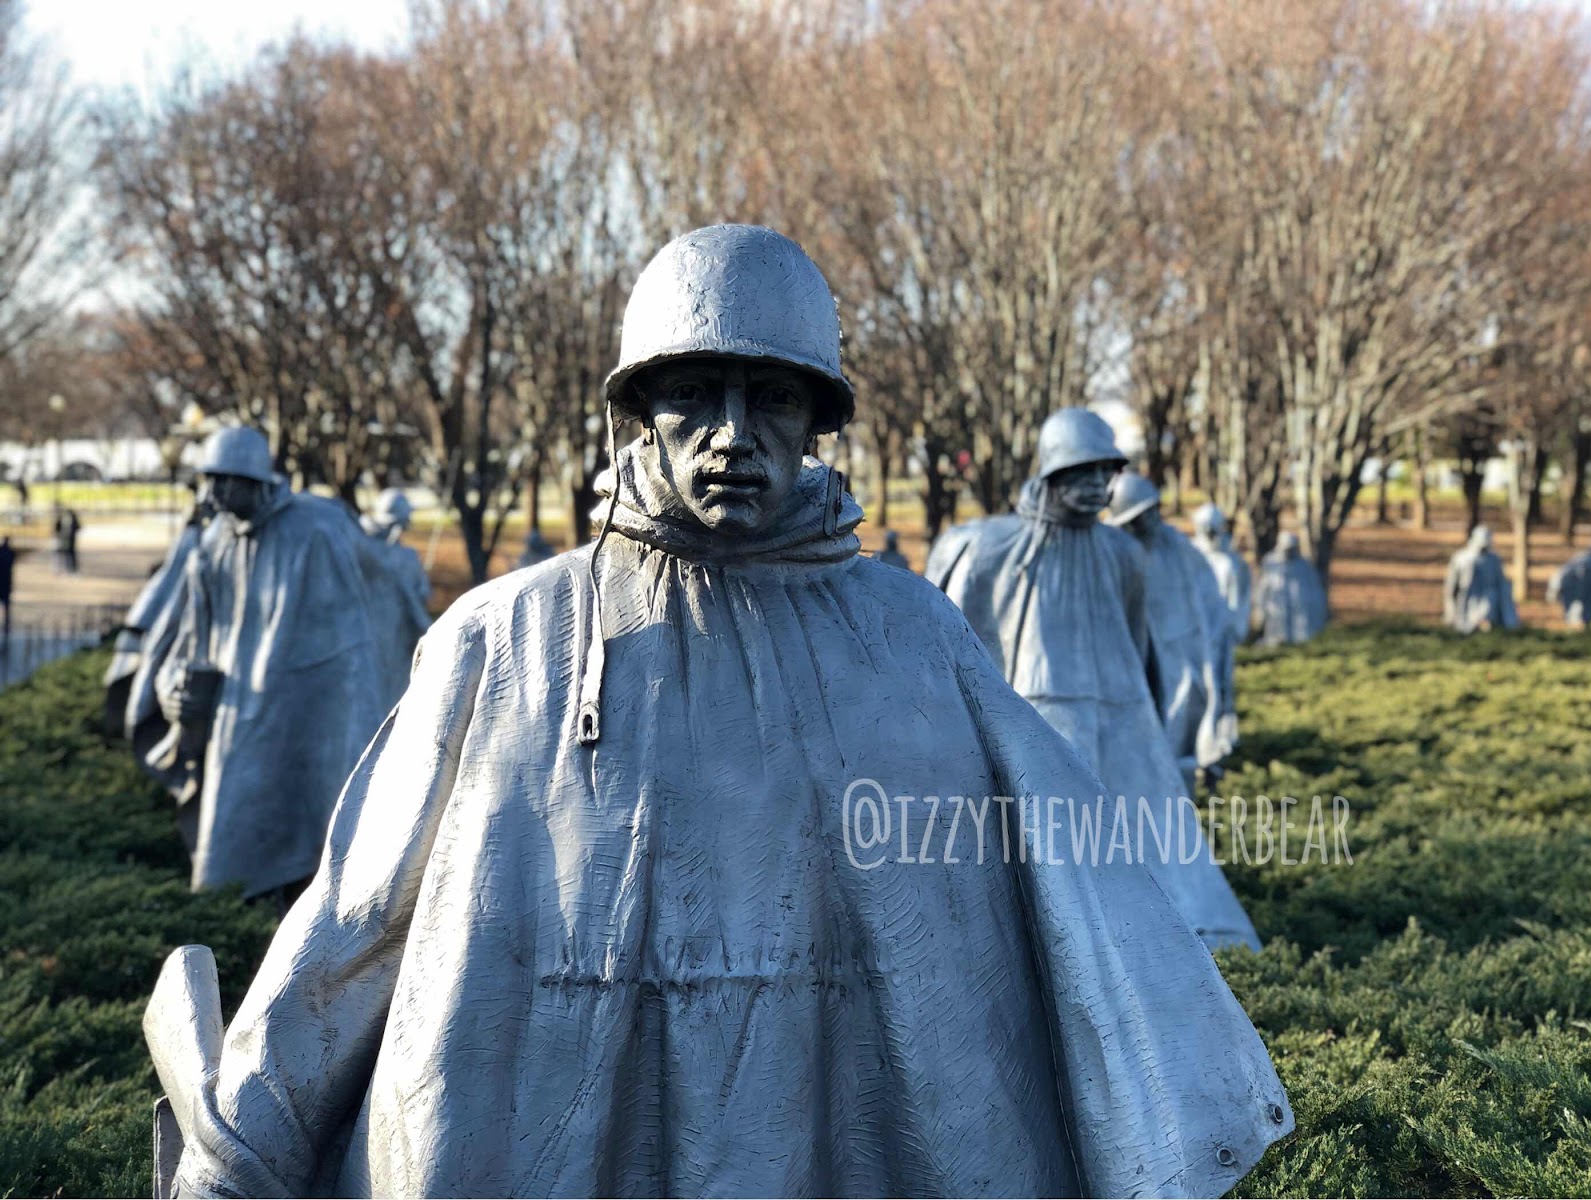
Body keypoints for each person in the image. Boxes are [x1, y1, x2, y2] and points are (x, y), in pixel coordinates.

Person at [158, 227, 1290, 1198]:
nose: (733, 433)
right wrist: (241, 1144)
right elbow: (357, 921)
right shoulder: (504, 640)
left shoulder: (909, 638)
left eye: (774, 397)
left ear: (816, 423)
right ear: (638, 411)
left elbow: (1066, 900)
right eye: (693, 394)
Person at [927, 412, 1258, 950]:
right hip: (1042, 705)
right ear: (1053, 473)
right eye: (1082, 473)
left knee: (1153, 833)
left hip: (1122, 708)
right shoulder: (998, 548)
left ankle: (1164, 930)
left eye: (1104, 476)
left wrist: (1151, 715)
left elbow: (1137, 639)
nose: (1095, 488)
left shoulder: (1124, 553)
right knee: (1049, 841)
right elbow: (963, 640)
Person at [131, 426, 382, 899]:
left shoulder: (317, 530)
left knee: (321, 837)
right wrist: (173, 687)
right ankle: (237, 934)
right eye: (211, 480)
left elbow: (354, 644)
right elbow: (190, 638)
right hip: (236, 714)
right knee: (231, 847)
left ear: (257, 481)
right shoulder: (211, 545)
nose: (217, 493)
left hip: (313, 711)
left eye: (228, 480)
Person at [1107, 473, 1237, 778]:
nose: (1150, 521)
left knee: (1181, 739)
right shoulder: (1112, 551)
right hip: (1133, 662)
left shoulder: (1176, 546)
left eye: (1153, 512)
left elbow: (1209, 602)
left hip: (1181, 659)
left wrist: (1214, 646)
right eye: (1140, 517)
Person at [104, 489, 215, 739]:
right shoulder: (196, 539)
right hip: (154, 628)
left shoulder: (198, 537)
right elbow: (172, 587)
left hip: (153, 626)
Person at [356, 488, 433, 711]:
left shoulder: (368, 549)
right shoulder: (400, 556)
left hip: (390, 634)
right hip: (385, 634)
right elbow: (424, 594)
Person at [1191, 502, 1252, 644]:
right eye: (1205, 529)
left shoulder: (1232, 562)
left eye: (1212, 530)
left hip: (1223, 630)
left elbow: (1239, 598)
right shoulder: (1189, 556)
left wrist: (1237, 627)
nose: (1209, 535)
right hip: (1195, 628)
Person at [1254, 531, 1329, 646]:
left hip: (1298, 613)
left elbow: (1315, 591)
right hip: (1276, 612)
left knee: (1300, 639)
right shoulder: (1271, 563)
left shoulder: (1304, 566)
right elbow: (1262, 589)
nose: (1289, 552)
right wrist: (1260, 610)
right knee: (1276, 639)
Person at [1443, 524, 1519, 633]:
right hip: (1466, 599)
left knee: (1489, 600)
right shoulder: (1461, 558)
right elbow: (1451, 586)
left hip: (1489, 600)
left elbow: (1501, 584)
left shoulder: (1494, 560)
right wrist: (1451, 609)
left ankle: (1487, 624)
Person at [1546, 545, 1591, 627]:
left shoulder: (1585, 561)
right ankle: (1579, 623)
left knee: (1579, 605)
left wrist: (1552, 593)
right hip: (1574, 585)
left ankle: (1581, 622)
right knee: (1578, 605)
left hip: (1577, 586)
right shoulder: (1585, 562)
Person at [0, 535, 13, 641]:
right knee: (7, 607)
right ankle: (7, 624)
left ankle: (7, 624)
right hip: (6, 584)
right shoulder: (11, 553)